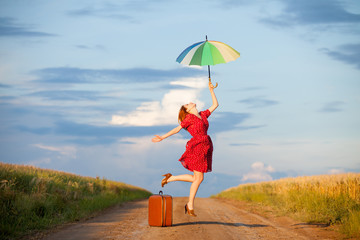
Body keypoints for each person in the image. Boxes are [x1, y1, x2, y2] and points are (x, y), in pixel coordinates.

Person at [151, 81, 218, 217]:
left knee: (197, 178)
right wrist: (162, 137)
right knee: (198, 178)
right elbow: (177, 129)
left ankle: (171, 179)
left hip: (206, 146)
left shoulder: (203, 115)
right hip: (197, 146)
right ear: (187, 110)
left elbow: (215, 105)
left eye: (188, 103)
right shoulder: (189, 118)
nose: (189, 102)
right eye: (187, 104)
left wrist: (211, 90)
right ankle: (190, 204)